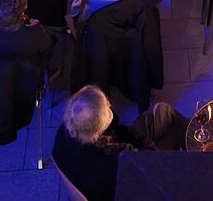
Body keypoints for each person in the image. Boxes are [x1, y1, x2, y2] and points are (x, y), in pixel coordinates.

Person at [52, 84, 187, 201]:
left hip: (96, 176)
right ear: (100, 130)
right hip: (130, 188)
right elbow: (149, 161)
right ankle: (199, 154)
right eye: (107, 107)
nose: (109, 105)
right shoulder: (119, 157)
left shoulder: (65, 130)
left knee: (162, 111)